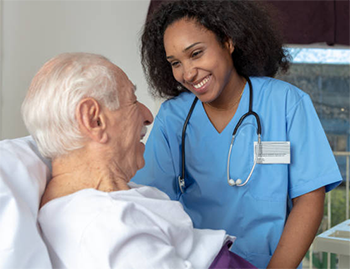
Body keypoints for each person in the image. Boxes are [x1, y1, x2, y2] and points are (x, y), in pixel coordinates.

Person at [132, 0, 343, 268]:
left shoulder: (286, 103)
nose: (187, 73)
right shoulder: (174, 118)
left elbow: (310, 199)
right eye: (175, 62)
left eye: (196, 53)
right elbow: (152, 200)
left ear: (228, 41)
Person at [21, 52, 257, 269]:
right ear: (94, 120)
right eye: (133, 100)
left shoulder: (95, 203)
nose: (148, 116)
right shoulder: (108, 225)